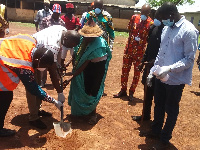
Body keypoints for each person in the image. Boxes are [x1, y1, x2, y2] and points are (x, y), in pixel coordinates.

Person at [146, 2, 199, 149]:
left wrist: (169, 68)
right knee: (158, 104)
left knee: (171, 109)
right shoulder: (166, 29)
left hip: (175, 79)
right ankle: (156, 131)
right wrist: (153, 72)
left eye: (163, 18)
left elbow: (189, 59)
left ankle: (164, 139)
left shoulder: (189, 31)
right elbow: (161, 53)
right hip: (160, 76)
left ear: (172, 15)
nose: (162, 21)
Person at [0, 34, 63, 137]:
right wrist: (54, 101)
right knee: (5, 97)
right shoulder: (23, 65)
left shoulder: (31, 41)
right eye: (42, 66)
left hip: (3, 53)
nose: (41, 69)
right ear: (37, 61)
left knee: (5, 95)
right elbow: (33, 89)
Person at [26, 25, 81, 129]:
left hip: (40, 53)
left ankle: (37, 109)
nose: (69, 48)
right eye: (69, 45)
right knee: (32, 86)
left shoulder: (63, 29)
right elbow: (52, 71)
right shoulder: (53, 46)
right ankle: (33, 117)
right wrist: (59, 92)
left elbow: (54, 65)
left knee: (37, 85)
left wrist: (58, 67)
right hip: (30, 57)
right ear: (65, 38)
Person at [62, 18, 111, 125]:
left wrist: (71, 76)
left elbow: (85, 64)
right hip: (87, 66)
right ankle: (81, 112)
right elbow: (77, 52)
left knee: (92, 90)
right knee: (83, 86)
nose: (86, 38)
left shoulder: (99, 46)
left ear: (94, 36)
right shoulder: (83, 39)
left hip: (97, 68)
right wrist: (68, 63)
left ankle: (93, 113)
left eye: (89, 37)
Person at [113, 4, 153, 101]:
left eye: (145, 13)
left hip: (139, 52)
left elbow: (149, 38)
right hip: (129, 49)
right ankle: (123, 90)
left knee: (136, 73)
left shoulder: (151, 23)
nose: (143, 14)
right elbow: (130, 29)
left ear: (149, 13)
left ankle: (131, 92)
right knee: (124, 71)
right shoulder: (134, 18)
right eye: (142, 12)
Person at [132, 8, 164, 121]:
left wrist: (155, 60)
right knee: (147, 92)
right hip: (148, 66)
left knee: (158, 95)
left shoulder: (166, 31)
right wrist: (142, 61)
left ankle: (157, 121)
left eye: (158, 17)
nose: (156, 19)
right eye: (155, 17)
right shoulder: (153, 28)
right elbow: (149, 48)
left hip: (160, 67)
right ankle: (145, 116)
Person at [38, 3, 65, 88]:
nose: (57, 14)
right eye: (55, 13)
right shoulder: (45, 20)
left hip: (57, 48)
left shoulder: (61, 22)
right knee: (44, 64)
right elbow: (41, 32)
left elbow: (63, 35)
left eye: (58, 13)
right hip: (46, 46)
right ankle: (42, 81)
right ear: (52, 12)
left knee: (58, 64)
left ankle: (57, 81)